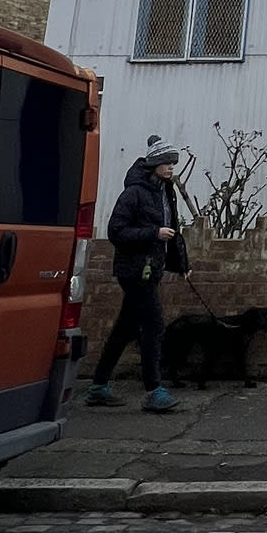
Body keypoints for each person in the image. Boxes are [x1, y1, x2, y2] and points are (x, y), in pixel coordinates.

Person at [85, 139, 185, 413]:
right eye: (167, 163)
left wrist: (180, 263)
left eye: (173, 163)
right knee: (153, 325)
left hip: (151, 268)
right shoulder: (134, 194)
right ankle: (154, 390)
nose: (171, 168)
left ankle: (98, 387)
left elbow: (172, 228)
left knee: (125, 328)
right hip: (134, 271)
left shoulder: (165, 192)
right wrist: (152, 233)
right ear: (153, 164)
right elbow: (116, 231)